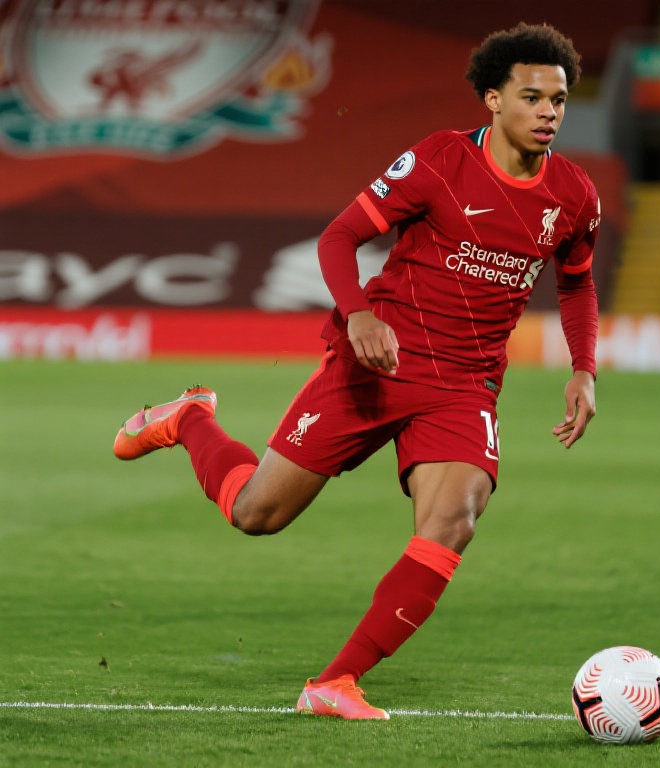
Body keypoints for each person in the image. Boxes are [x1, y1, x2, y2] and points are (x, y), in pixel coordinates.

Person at [112, 22, 600, 718]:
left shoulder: (575, 195)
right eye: (532, 97)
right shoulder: (438, 160)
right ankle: (189, 418)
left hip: (465, 385)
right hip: (376, 364)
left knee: (454, 520)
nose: (549, 112)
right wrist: (359, 315)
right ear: (493, 99)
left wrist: (583, 368)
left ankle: (334, 682)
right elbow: (340, 236)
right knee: (256, 514)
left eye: (559, 100)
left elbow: (577, 283)